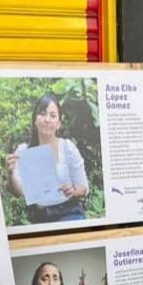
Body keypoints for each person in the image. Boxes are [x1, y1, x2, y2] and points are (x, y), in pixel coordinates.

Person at [5, 92, 89, 223]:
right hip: (39, 218)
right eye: (42, 114)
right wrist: (10, 173)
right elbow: (19, 192)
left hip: (69, 213)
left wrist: (73, 190)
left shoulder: (67, 148)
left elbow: (84, 188)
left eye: (53, 115)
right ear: (35, 120)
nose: (47, 119)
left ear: (59, 123)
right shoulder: (24, 151)